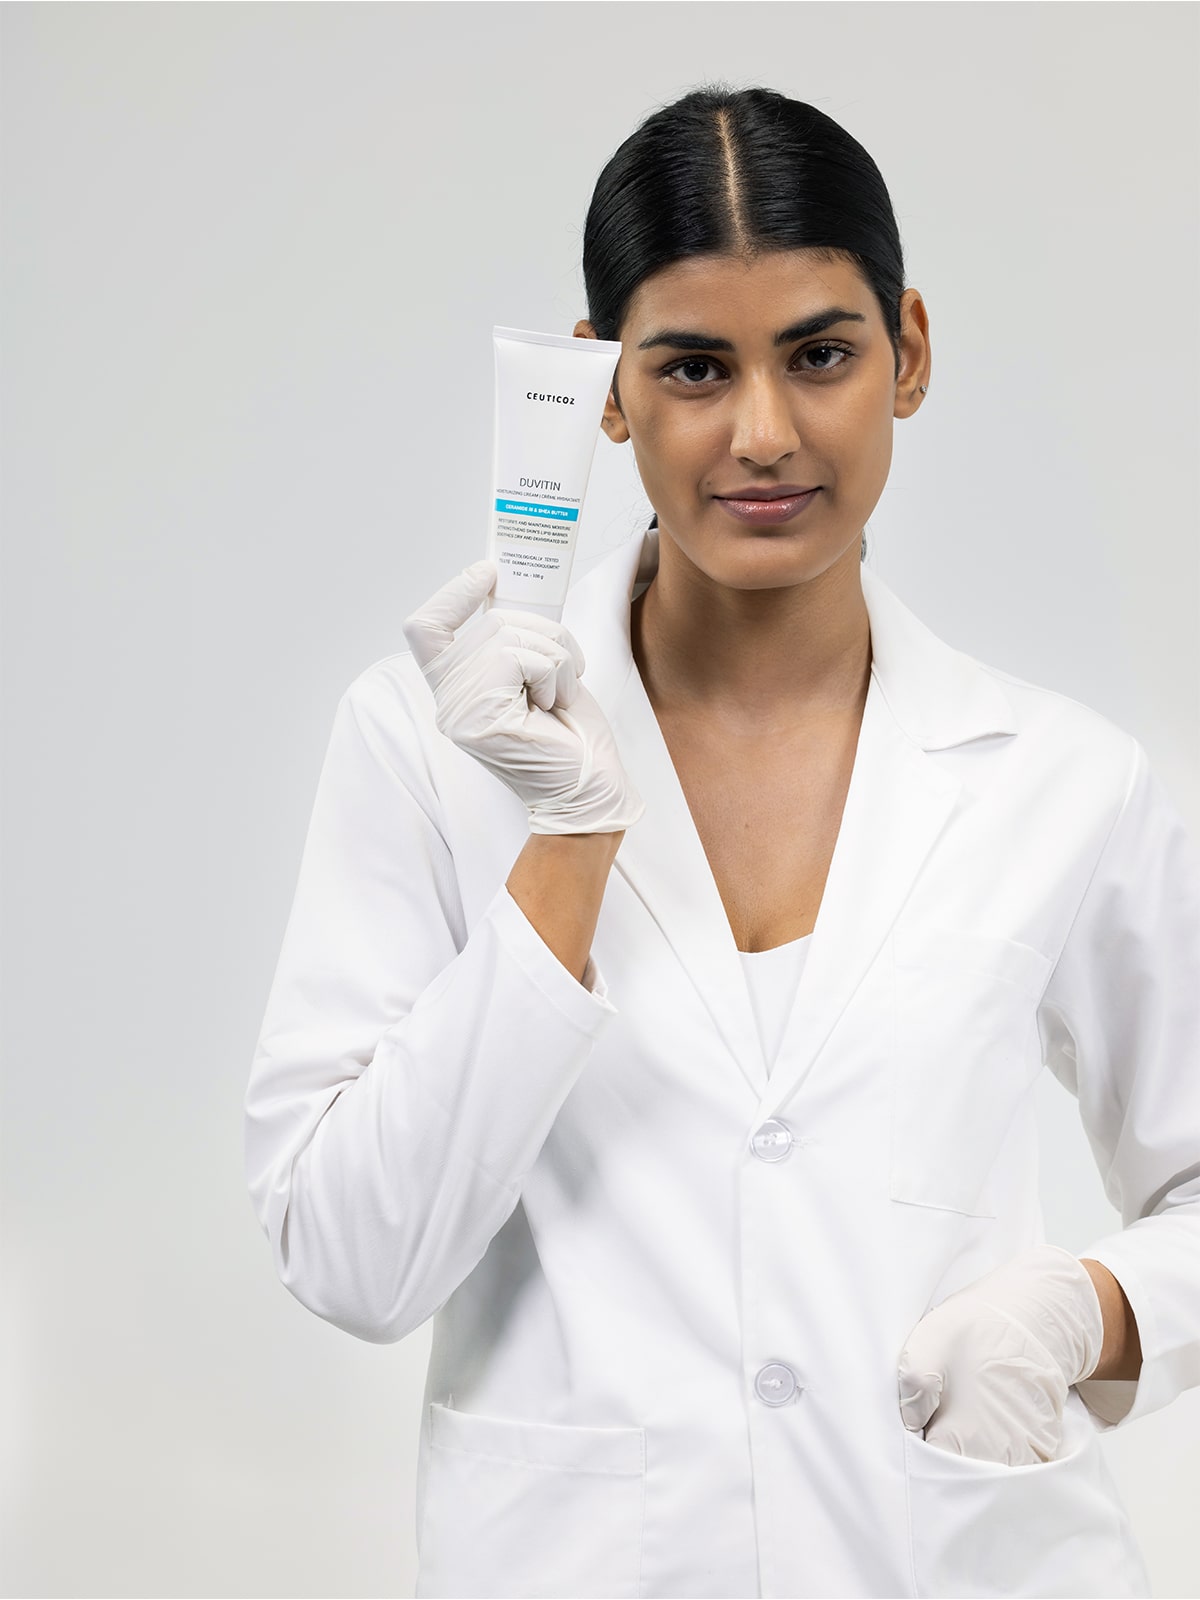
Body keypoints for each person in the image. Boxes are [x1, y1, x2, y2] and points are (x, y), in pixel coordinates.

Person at [243, 85, 1200, 1598]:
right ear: (605, 388)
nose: (764, 434)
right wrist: (569, 841)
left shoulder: (1063, 781)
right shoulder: (423, 750)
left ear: (910, 353)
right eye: (693, 367)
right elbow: (351, 1259)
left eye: (820, 354)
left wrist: (1087, 1312)